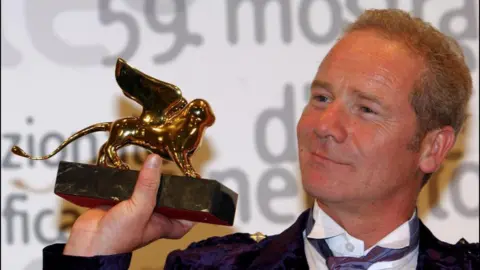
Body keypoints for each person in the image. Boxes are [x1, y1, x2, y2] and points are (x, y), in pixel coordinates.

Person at [42, 8, 478, 269]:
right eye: (321, 97)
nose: (324, 125)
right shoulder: (211, 267)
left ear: (432, 147)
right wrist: (94, 250)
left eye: (366, 109)